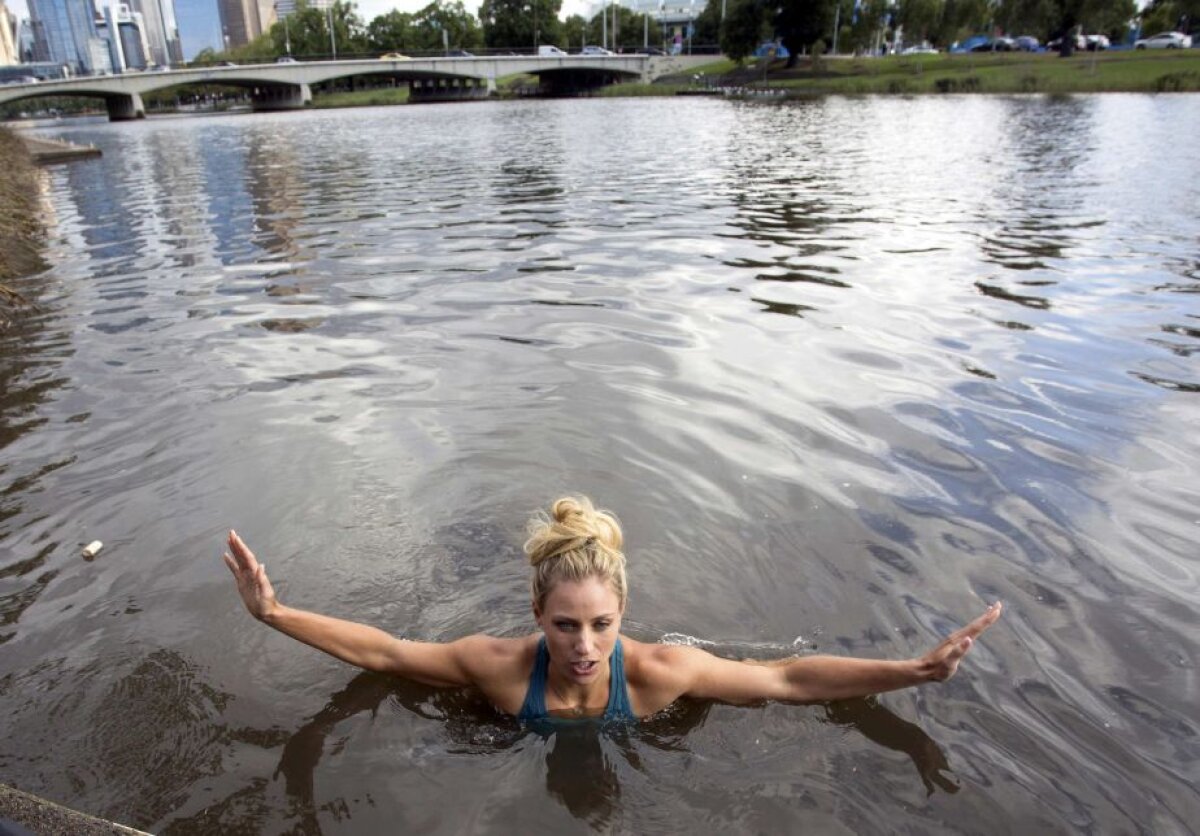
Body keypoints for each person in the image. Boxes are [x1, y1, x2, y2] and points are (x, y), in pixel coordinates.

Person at [223, 496, 1002, 722]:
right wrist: (275, 614)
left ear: (624, 612)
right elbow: (389, 652)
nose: (586, 645)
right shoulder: (495, 669)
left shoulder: (663, 674)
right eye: (566, 625)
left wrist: (913, 671)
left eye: (601, 623)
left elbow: (788, 679)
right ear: (537, 615)